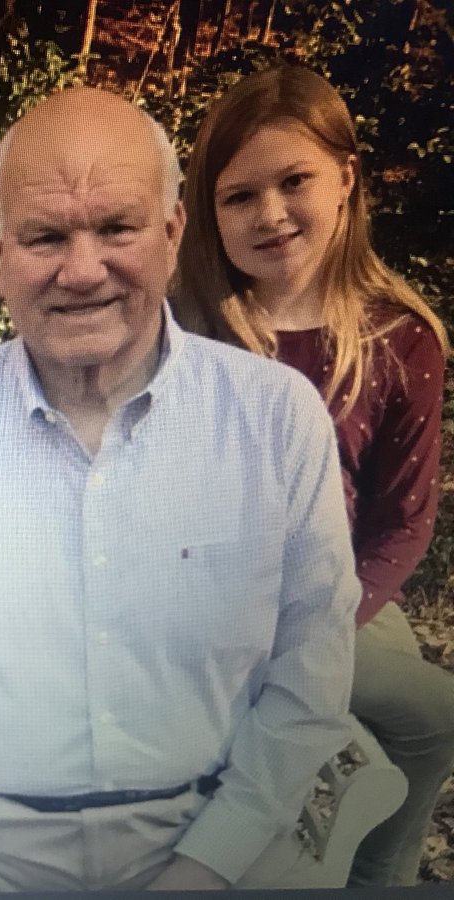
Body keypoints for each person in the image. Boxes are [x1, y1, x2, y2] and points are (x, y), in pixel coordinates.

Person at [0, 86, 361, 893]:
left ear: (170, 233)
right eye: (46, 236)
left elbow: (312, 676)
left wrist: (207, 866)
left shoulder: (273, 421)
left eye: (116, 228)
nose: (81, 270)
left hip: (209, 832)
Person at [173, 64, 454, 887]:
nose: (271, 214)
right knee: (428, 711)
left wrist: (330, 626)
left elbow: (402, 523)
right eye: (238, 196)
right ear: (207, 213)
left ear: (346, 176)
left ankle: (379, 878)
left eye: (294, 180)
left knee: (430, 712)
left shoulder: (403, 341)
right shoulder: (188, 333)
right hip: (208, 605)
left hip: (335, 601)